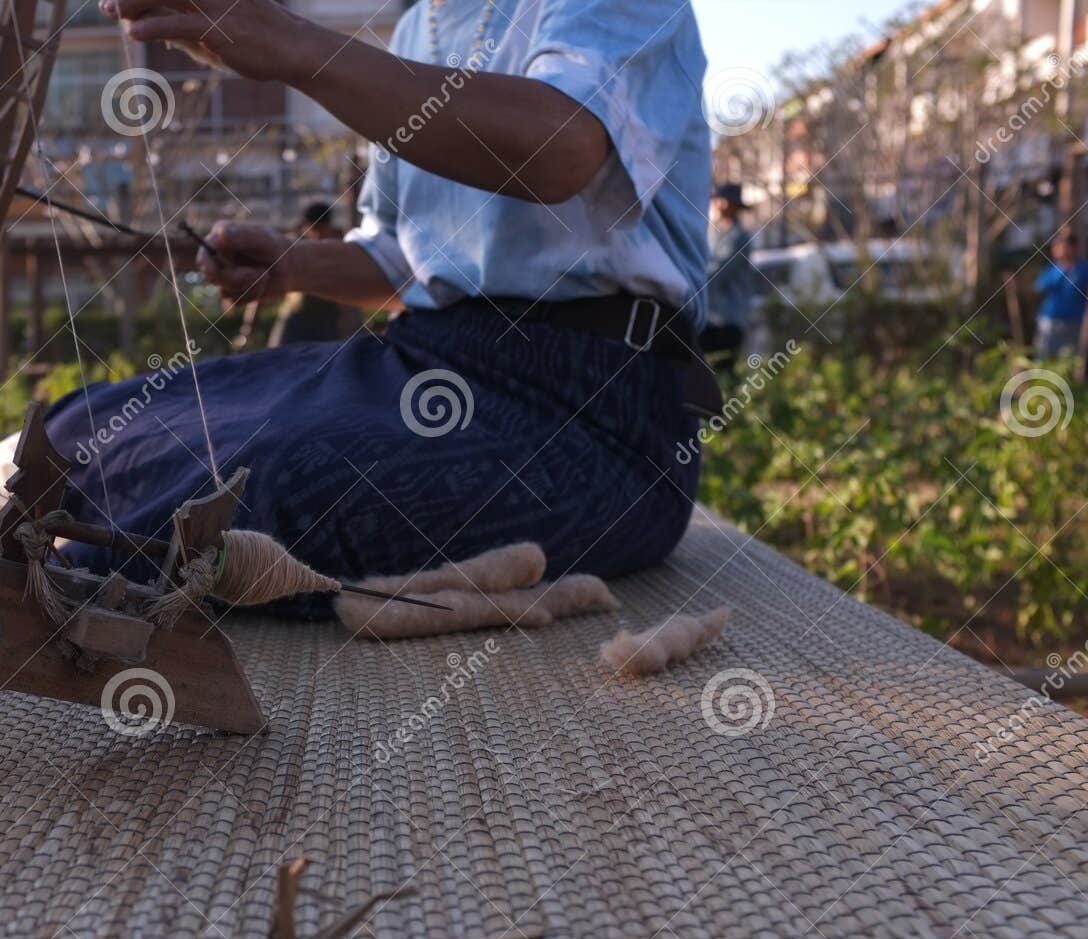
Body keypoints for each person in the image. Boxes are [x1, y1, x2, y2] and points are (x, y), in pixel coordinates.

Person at [47, 0, 714, 601]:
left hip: (592, 412)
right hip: (424, 358)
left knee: (266, 488)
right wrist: (293, 264)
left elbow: (561, 146)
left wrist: (299, 48)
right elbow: (405, 257)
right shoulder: (416, 25)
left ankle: (55, 590)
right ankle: (59, 552)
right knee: (88, 425)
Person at [267, 202, 358, 346]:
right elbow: (266, 280)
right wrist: (249, 324)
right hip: (294, 320)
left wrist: (349, 325)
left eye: (321, 230)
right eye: (313, 229)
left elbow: (348, 296)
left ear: (329, 226)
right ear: (305, 227)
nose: (316, 235)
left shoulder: (339, 250)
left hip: (328, 323)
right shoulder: (291, 247)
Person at [702, 184, 757, 369]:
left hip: (728, 319)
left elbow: (717, 272)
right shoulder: (712, 232)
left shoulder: (738, 237)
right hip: (709, 318)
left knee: (722, 374)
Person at [1033, 232, 1088, 360]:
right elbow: (1037, 288)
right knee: (1043, 358)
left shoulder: (1084, 269)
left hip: (1075, 323)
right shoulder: (1052, 269)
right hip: (1049, 322)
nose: (1055, 250)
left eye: (1059, 246)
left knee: (1069, 360)